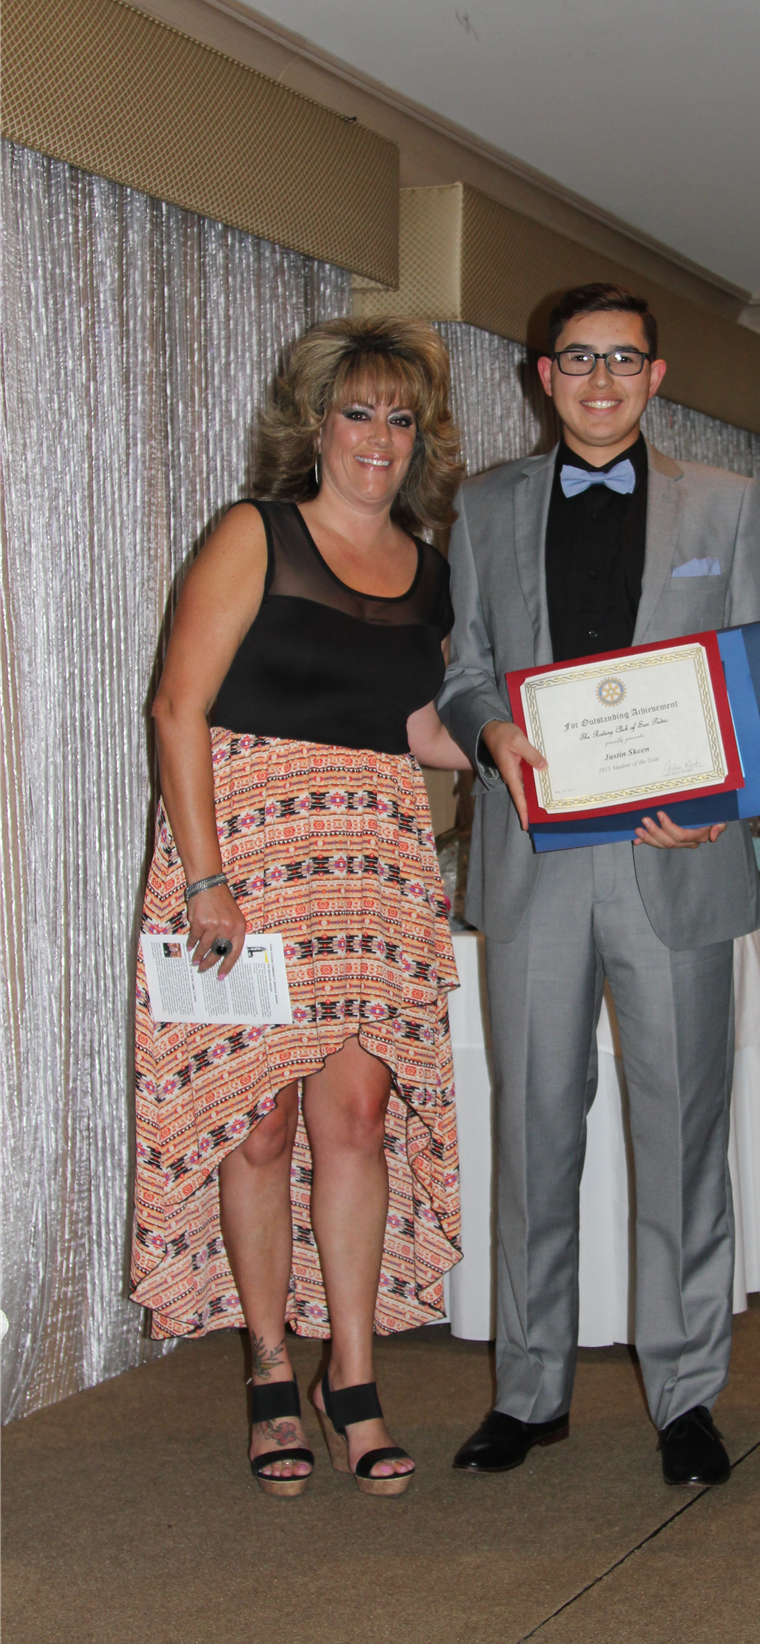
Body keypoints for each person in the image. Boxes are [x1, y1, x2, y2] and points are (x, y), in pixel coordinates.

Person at [438, 281, 760, 1486]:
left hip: (675, 859)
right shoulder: (482, 505)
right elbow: (466, 671)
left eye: (623, 359)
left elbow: (753, 674)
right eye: (577, 359)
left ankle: (687, 1396)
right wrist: (490, 732)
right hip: (535, 860)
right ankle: (529, 1391)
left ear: (655, 375)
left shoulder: (726, 501)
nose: (599, 380)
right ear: (544, 377)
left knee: (682, 1134)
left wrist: (722, 798)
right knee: (533, 1132)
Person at [133, 317, 470, 1497]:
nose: (379, 437)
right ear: (316, 425)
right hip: (245, 863)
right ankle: (272, 1370)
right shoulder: (256, 534)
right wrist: (205, 879)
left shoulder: (431, 567)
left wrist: (530, 756)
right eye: (358, 412)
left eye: (400, 418)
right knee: (260, 1125)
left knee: (358, 1120)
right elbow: (178, 708)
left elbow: (416, 725)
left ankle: (355, 1380)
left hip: (374, 863)